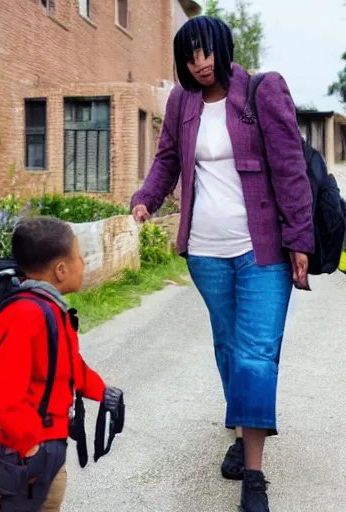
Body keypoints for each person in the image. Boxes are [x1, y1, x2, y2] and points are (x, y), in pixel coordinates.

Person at [131, 16, 314, 512]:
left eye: (206, 52)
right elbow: (167, 160)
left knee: (256, 351)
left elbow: (291, 169)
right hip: (206, 252)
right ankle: (241, 430)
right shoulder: (182, 101)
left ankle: (254, 477)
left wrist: (300, 239)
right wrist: (145, 198)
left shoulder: (260, 90)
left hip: (263, 250)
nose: (200, 63)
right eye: (190, 56)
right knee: (229, 347)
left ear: (222, 48)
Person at [0, 216, 120, 512]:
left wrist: (101, 390)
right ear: (61, 270)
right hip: (26, 456)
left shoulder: (51, 310)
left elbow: (68, 363)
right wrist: (30, 442)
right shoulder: (26, 315)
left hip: (44, 452)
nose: (83, 264)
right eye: (80, 257)